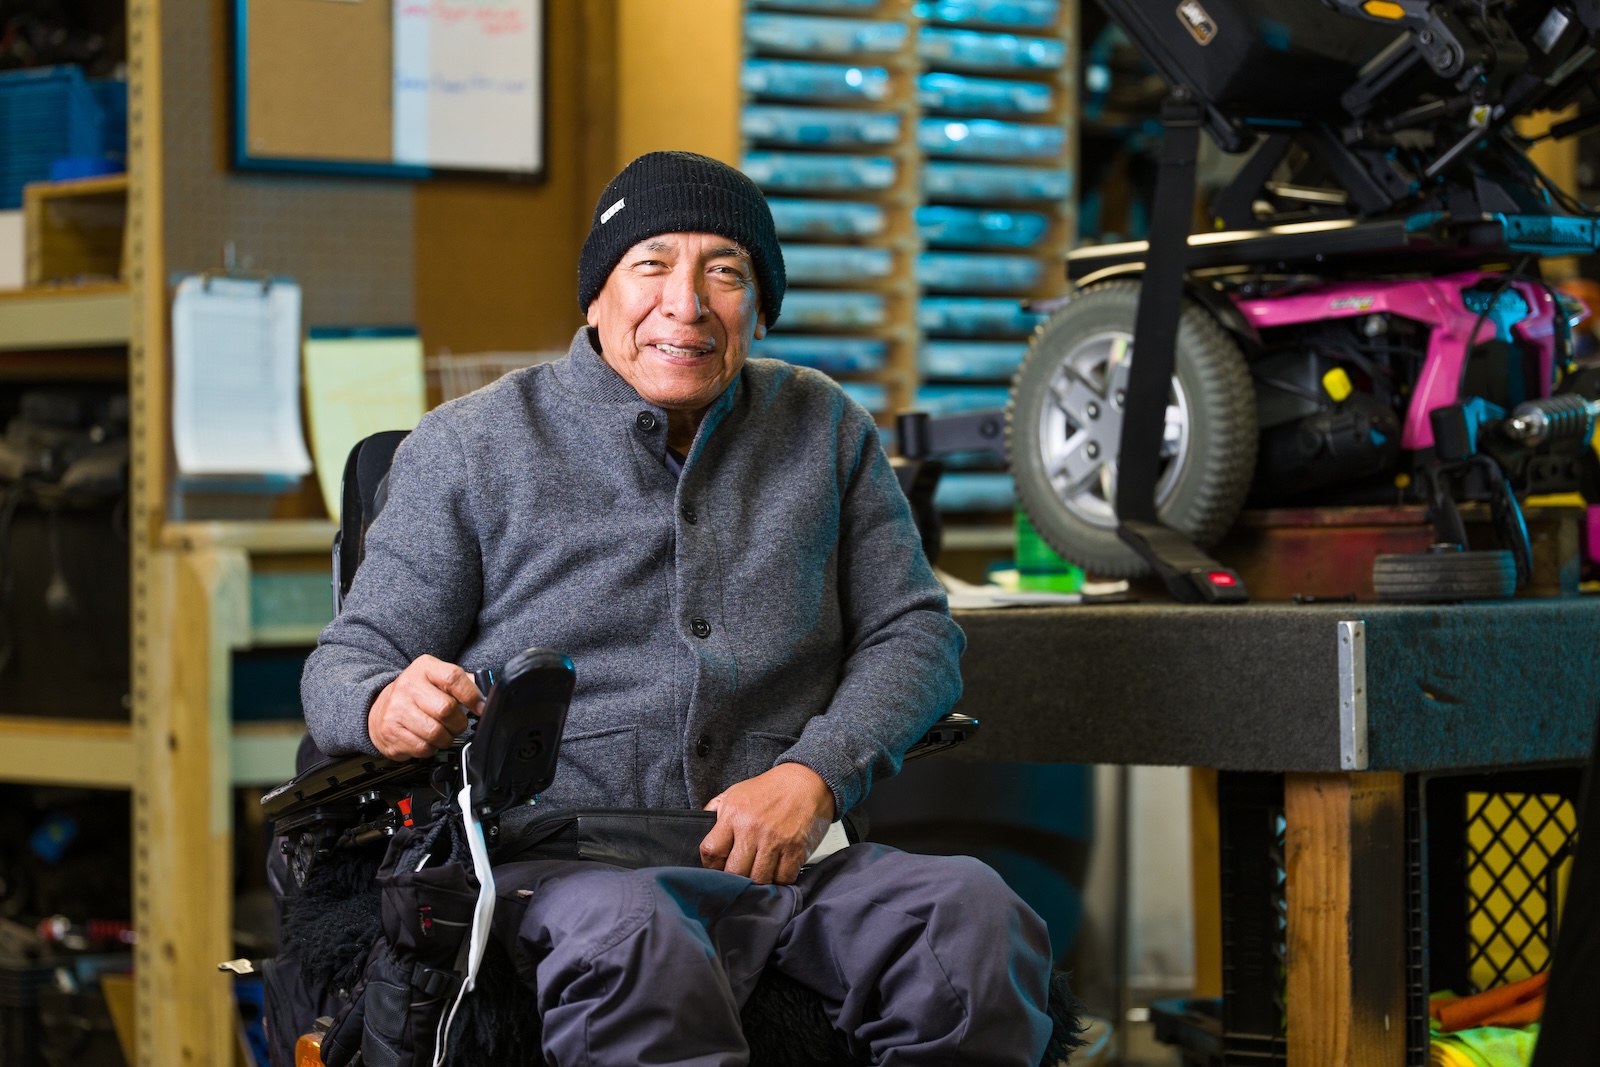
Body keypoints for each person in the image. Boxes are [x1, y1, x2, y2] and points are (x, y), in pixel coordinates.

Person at [301, 150, 1053, 1066]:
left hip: (788, 858)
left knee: (974, 923)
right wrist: (386, 703)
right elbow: (344, 663)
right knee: (635, 938)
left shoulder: (824, 428)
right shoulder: (469, 447)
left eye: (725, 273)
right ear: (596, 297)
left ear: (760, 308)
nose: (686, 304)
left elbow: (917, 634)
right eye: (651, 264)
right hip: (563, 865)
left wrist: (815, 775)